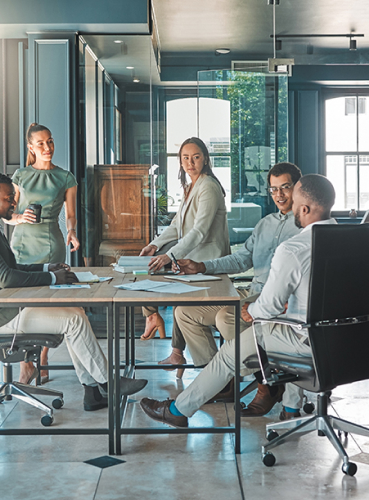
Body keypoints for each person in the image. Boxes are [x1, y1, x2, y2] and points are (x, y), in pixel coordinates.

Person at [139, 174, 337, 427]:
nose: (285, 200)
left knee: (228, 354)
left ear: (305, 208)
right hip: (343, 341)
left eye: (293, 198)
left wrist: (251, 310)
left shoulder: (295, 248)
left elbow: (269, 307)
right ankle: (288, 405)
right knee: (208, 319)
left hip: (302, 338)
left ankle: (177, 411)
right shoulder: (353, 241)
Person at [0, 172, 147, 411]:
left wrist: (46, 267)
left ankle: (92, 391)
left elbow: (10, 267)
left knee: (75, 312)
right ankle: (110, 383)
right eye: (8, 198)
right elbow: (5, 277)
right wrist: (52, 277)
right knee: (73, 320)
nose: (14, 202)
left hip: (7, 306)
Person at [171, 162, 302, 417]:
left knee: (226, 316)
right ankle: (219, 380)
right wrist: (202, 266)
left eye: (285, 187)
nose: (279, 195)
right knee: (185, 313)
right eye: (273, 189)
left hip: (279, 298)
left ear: (298, 187)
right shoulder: (265, 223)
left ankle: (266, 384)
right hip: (252, 291)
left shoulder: (306, 225)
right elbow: (242, 259)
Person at [138, 137, 231, 369]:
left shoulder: (208, 186)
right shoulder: (192, 186)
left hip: (208, 264)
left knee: (175, 296)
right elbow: (176, 226)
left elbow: (199, 231)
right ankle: (173, 347)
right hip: (192, 262)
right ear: (180, 162)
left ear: (205, 159)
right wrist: (155, 245)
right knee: (151, 272)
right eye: (185, 158)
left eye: (196, 157)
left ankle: (161, 329)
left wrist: (169, 256)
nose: (190, 162)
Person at [4, 123, 80, 385]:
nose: (47, 148)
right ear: (30, 147)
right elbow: (6, 213)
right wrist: (17, 217)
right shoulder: (20, 176)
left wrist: (72, 231)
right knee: (23, 305)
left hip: (51, 243)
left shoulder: (65, 177)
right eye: (40, 144)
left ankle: (43, 358)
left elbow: (71, 215)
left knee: (51, 302)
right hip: (23, 243)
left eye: (50, 142)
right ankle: (27, 363)